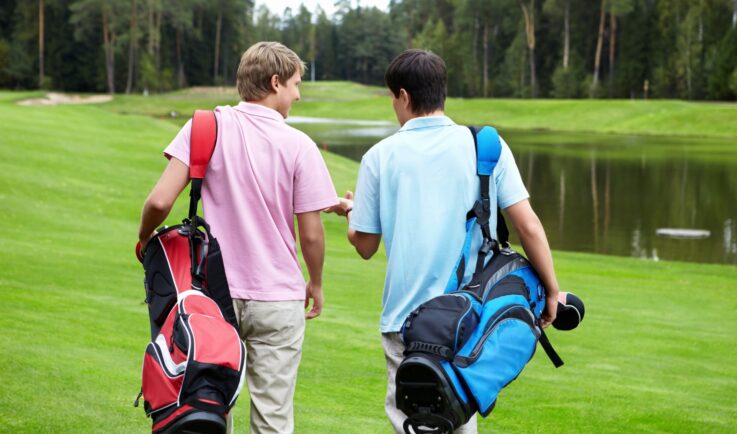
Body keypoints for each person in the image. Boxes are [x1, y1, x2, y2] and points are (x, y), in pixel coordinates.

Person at [326, 49, 560, 434]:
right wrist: (551, 291)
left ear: (402, 95)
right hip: (470, 316)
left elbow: (365, 245)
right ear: (441, 91)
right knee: (458, 419)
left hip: (406, 321)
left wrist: (351, 212)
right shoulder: (486, 145)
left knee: (415, 426)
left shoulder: (378, 157)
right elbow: (528, 227)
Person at [137, 41, 338, 434]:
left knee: (208, 409)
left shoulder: (203, 126)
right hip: (278, 300)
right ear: (275, 82)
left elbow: (160, 200)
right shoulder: (300, 145)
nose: (298, 94)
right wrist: (315, 281)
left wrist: (145, 240)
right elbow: (311, 235)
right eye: (296, 84)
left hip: (210, 296)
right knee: (273, 417)